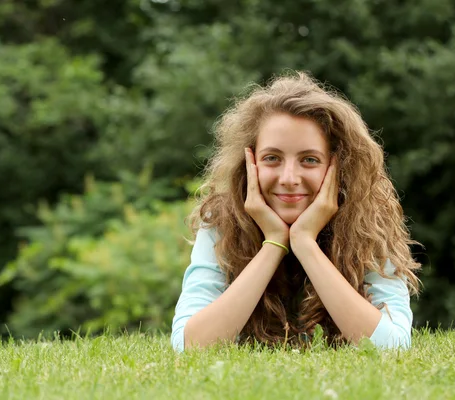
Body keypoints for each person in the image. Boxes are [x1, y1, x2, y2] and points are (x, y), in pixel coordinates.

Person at [171, 71, 421, 352]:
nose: (289, 178)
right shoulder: (223, 222)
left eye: (310, 160)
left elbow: (394, 347)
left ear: (338, 167)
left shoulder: (367, 224)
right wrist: (274, 242)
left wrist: (304, 243)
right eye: (272, 158)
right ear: (249, 163)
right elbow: (188, 347)